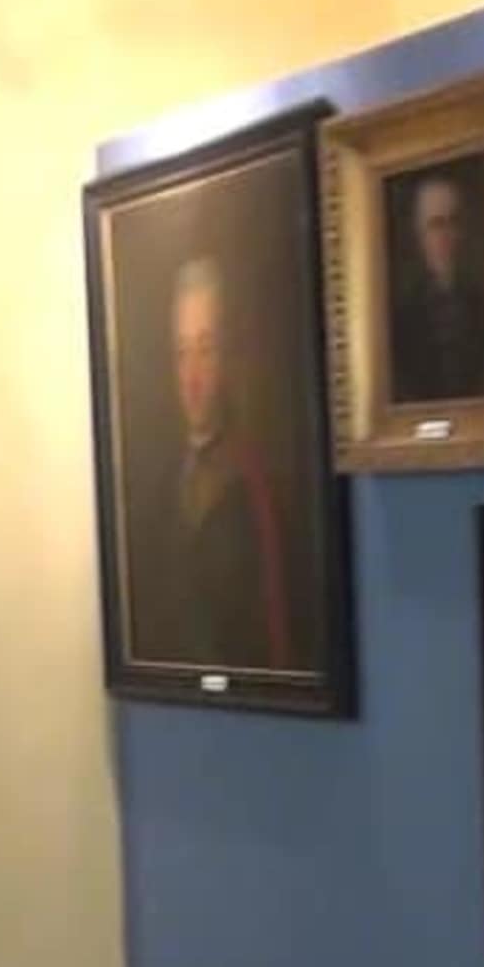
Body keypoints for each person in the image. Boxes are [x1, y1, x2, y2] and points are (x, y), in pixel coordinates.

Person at [153, 257, 294, 672]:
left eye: (206, 350)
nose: (192, 376)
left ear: (229, 358)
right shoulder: (160, 486)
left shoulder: (258, 485)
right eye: (182, 353)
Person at [386, 171, 484, 404]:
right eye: (436, 225)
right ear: (419, 235)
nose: (446, 236)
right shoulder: (402, 315)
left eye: (453, 222)